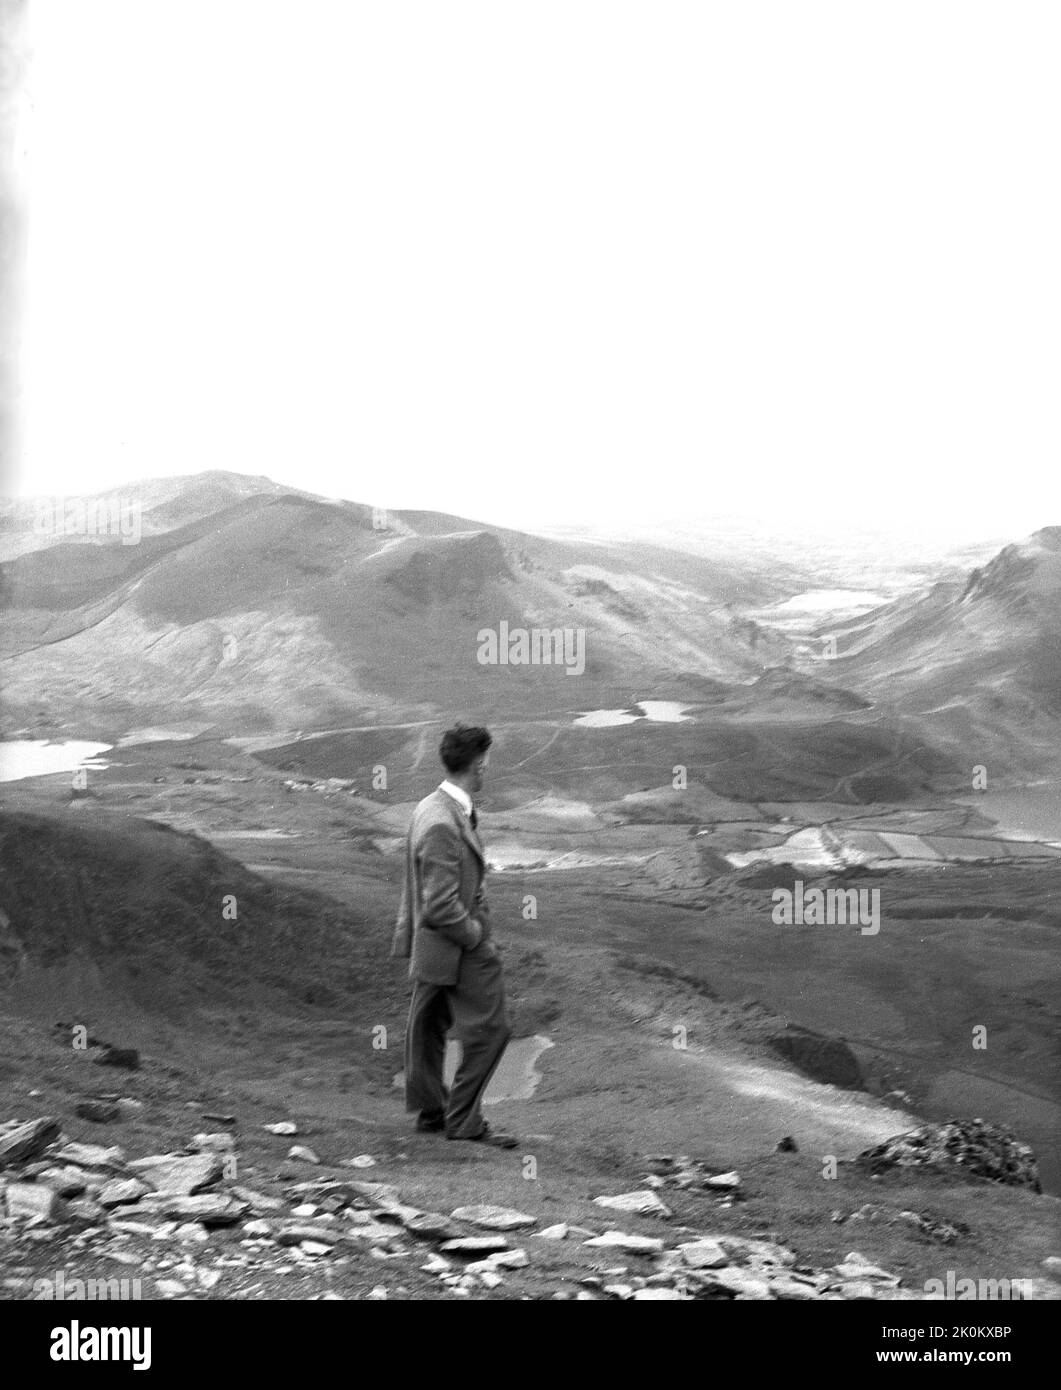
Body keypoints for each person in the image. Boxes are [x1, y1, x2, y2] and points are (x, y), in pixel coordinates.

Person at [391, 723, 517, 1146]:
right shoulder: (443, 821)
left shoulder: (431, 805)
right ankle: (463, 1121)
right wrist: (476, 935)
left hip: (433, 949)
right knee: (491, 1030)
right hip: (457, 946)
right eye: (487, 760)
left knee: (427, 1025)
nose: (488, 767)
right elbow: (440, 904)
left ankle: (432, 1113)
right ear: (478, 763)